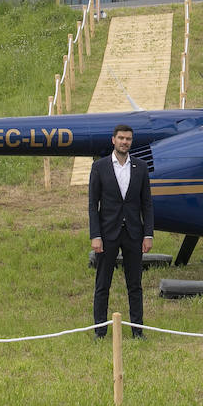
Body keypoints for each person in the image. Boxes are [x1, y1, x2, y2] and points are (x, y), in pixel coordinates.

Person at [89, 123, 154, 338]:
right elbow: (93, 204)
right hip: (107, 234)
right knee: (102, 284)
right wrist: (95, 235)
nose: (124, 142)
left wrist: (148, 234)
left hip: (134, 234)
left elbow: (147, 204)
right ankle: (99, 330)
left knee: (134, 284)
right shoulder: (99, 167)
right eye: (121, 138)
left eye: (128, 139)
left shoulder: (141, 167)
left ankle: (138, 330)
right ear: (113, 140)